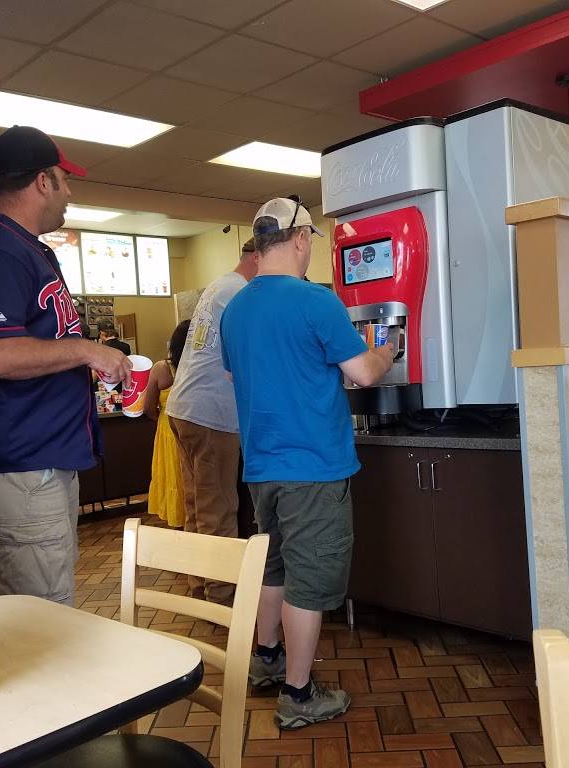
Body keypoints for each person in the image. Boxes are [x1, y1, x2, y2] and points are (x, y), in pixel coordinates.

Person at [220, 198, 394, 729]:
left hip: (261, 467)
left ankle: (267, 659)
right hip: (313, 467)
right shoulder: (317, 300)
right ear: (300, 239)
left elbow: (236, 375)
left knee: (273, 565)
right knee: (309, 580)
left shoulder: (235, 309)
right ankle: (298, 695)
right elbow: (364, 373)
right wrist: (388, 349)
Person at [0, 125, 131, 606]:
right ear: (43, 181)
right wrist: (86, 350)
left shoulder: (21, 246)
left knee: (44, 611)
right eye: (65, 181)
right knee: (42, 619)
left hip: (35, 462)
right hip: (20, 465)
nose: (70, 193)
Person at [167, 237, 259, 603]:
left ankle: (199, 585)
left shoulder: (219, 286)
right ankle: (221, 596)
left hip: (185, 408)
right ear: (256, 257)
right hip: (211, 414)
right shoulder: (240, 293)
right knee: (219, 508)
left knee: (197, 506)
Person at [146, 320, 191, 528]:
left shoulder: (161, 368)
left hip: (167, 426)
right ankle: (194, 518)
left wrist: (161, 418)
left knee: (173, 473)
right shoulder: (197, 368)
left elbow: (148, 406)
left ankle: (176, 517)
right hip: (194, 424)